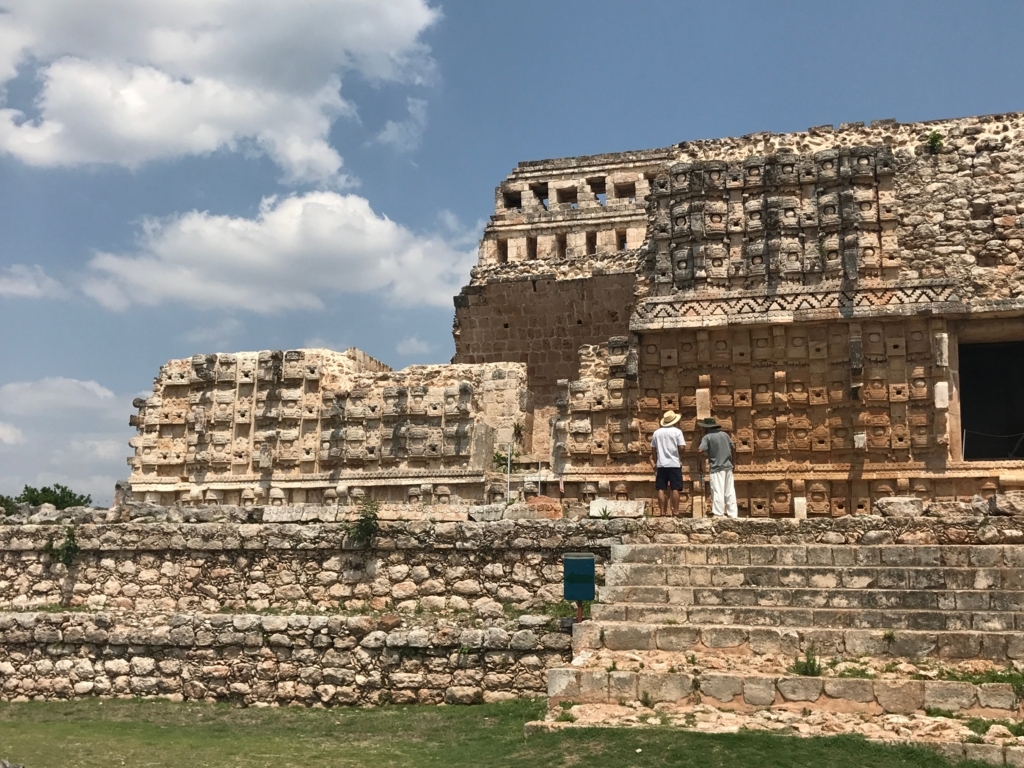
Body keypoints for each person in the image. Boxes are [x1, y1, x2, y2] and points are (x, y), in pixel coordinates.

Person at [698, 417, 738, 518]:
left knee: (717, 490)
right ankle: (733, 514)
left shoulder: (707, 437)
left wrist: (699, 465)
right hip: (728, 467)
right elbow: (733, 447)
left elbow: (700, 451)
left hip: (716, 468)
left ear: (707, 428)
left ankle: (718, 513)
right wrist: (734, 462)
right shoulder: (725, 435)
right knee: (729, 491)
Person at [649, 410, 686, 516]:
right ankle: (676, 511)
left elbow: (653, 450)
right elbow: (682, 447)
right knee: (675, 488)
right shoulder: (677, 432)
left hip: (661, 464)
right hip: (674, 464)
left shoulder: (657, 433)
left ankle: (662, 512)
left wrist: (656, 462)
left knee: (661, 488)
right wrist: (678, 454)